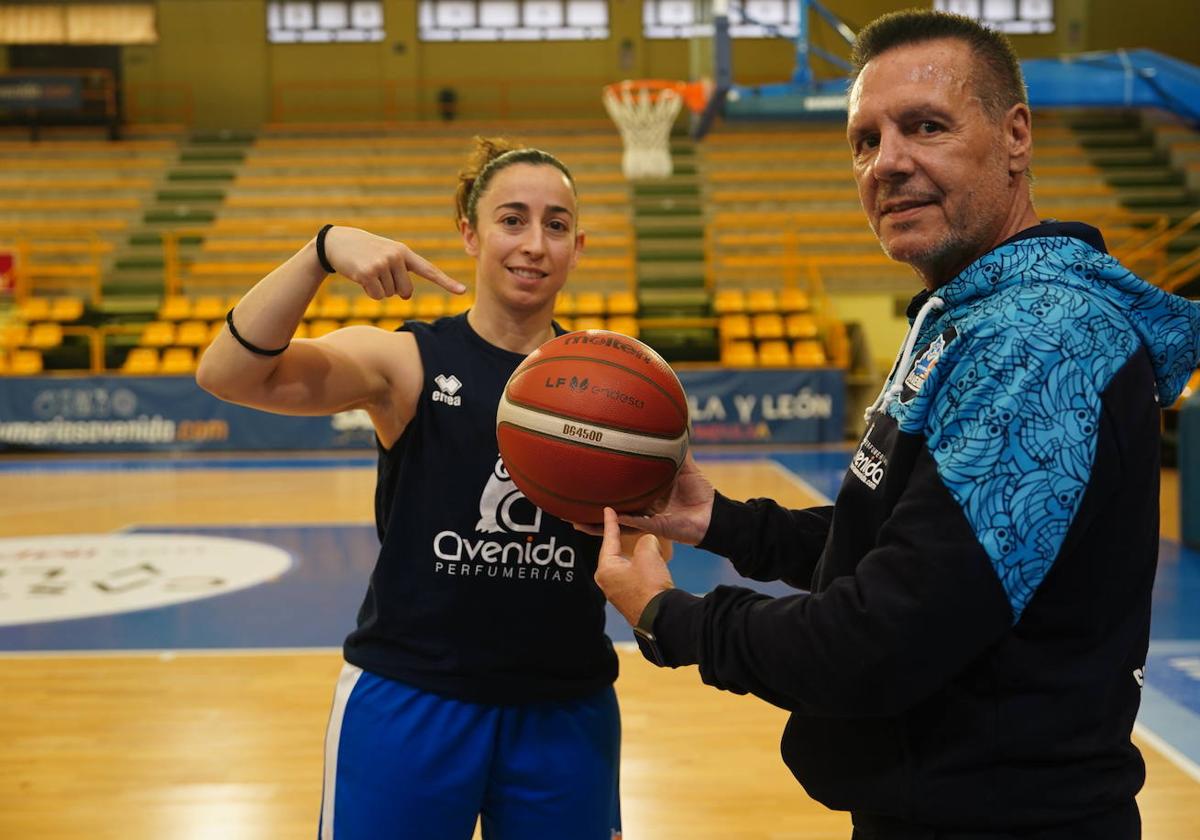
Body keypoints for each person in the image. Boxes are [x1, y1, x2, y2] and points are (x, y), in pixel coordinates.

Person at [591, 10, 1200, 840]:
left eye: (925, 126)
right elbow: (905, 548)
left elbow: (876, 640)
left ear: (1016, 135)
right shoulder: (973, 314)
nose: (889, 163)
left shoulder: (1038, 342)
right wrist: (720, 523)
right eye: (864, 140)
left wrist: (672, 617)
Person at [196, 138, 633, 840]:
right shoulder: (406, 362)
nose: (533, 244)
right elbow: (229, 375)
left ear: (578, 246)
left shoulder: (610, 388)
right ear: (469, 232)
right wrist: (322, 250)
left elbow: (639, 551)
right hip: (411, 698)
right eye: (511, 219)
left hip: (565, 706)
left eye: (555, 225)